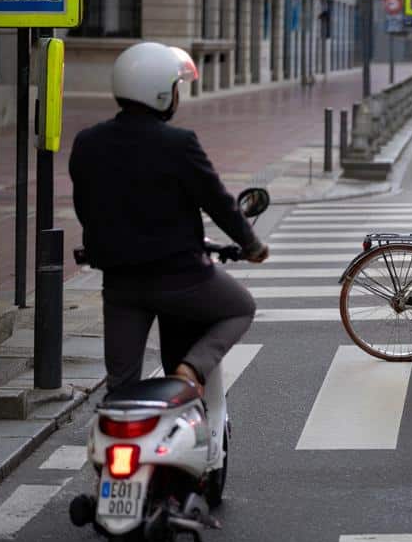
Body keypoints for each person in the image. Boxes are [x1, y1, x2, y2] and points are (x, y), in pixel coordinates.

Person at [69, 42, 268, 395]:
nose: (178, 95)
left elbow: (85, 208)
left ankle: (117, 441)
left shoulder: (87, 142)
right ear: (161, 93)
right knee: (241, 307)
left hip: (121, 284)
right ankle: (191, 371)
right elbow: (219, 203)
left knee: (121, 386)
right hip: (183, 280)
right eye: (176, 87)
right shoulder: (178, 143)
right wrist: (251, 244)